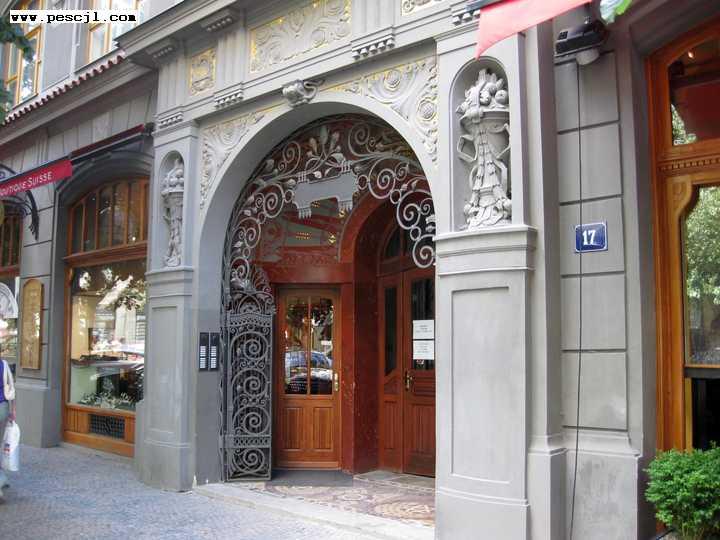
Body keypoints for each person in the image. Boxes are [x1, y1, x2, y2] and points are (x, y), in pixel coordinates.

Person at [0, 357, 16, 499]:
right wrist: (13, 410)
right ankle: (2, 479)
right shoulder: (4, 364)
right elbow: (11, 386)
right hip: (3, 408)